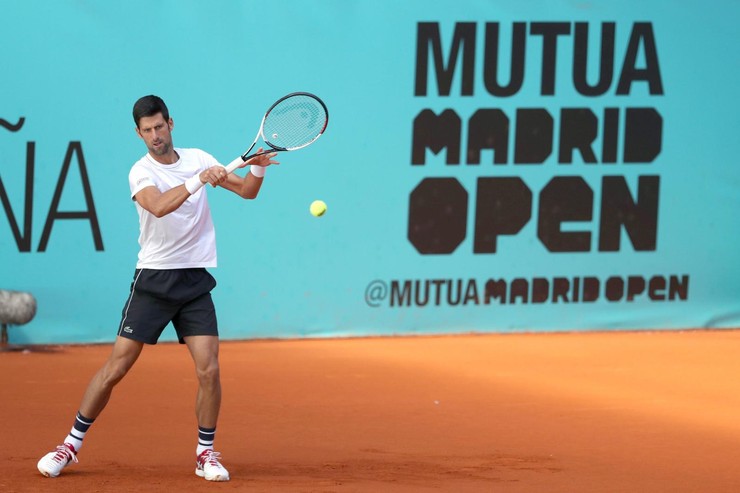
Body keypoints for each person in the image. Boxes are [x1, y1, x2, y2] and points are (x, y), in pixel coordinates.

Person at [37, 95, 278, 482]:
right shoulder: (141, 171)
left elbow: (247, 192)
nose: (155, 135)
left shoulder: (198, 157)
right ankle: (69, 444)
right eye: (147, 130)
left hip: (193, 281)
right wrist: (198, 180)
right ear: (138, 133)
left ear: (171, 124)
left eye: (159, 127)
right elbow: (160, 206)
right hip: (154, 280)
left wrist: (259, 169)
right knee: (116, 368)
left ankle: (205, 453)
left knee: (209, 369)